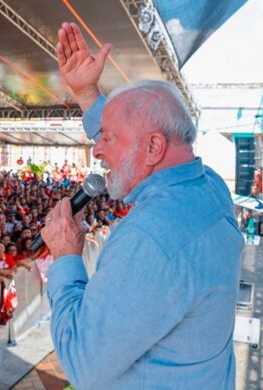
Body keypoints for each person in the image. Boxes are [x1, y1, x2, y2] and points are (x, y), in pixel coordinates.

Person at [41, 22, 244, 390]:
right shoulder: (210, 187)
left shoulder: (149, 240)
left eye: (107, 138)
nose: (97, 149)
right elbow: (134, 133)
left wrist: (66, 257)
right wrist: (88, 95)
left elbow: (82, 365)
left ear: (153, 148)